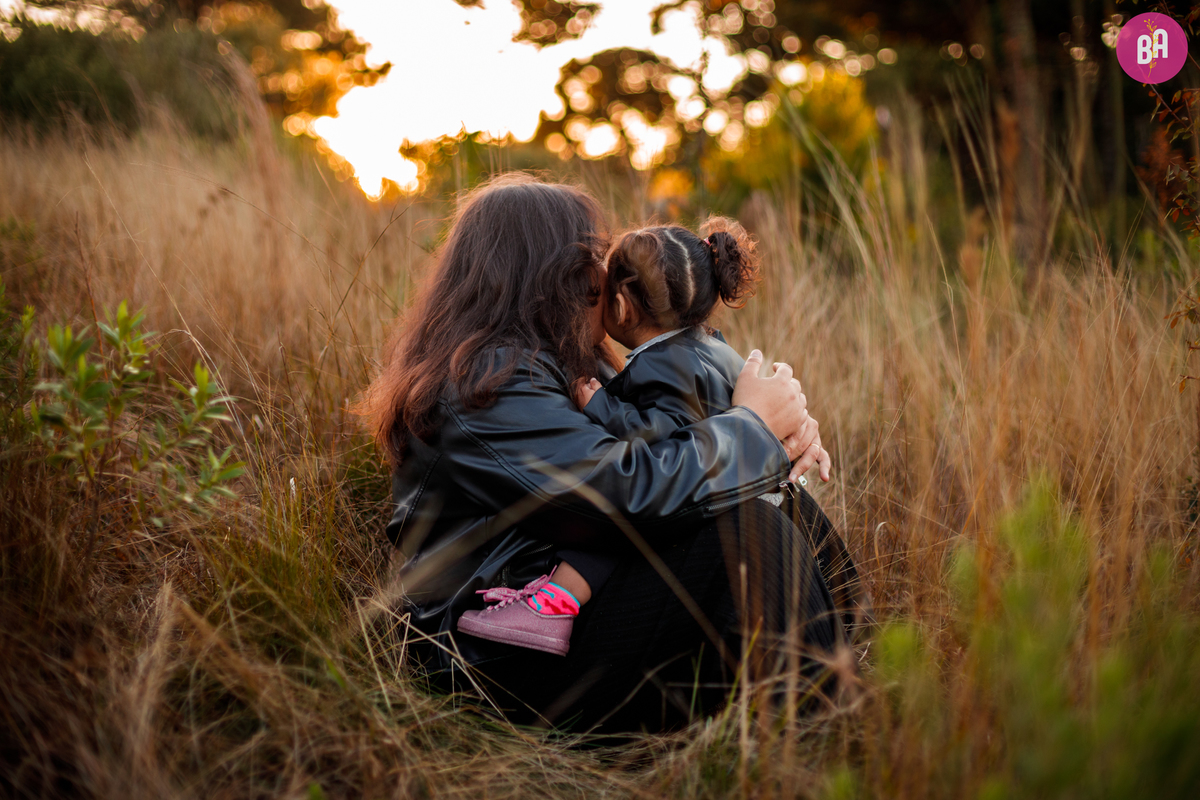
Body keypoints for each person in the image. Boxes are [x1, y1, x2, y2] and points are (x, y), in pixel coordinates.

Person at [363, 174, 843, 732]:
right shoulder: (484, 386)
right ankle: (822, 742)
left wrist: (782, 432)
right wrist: (753, 429)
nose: (608, 277)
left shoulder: (570, 361)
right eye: (595, 258)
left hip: (565, 613)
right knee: (751, 535)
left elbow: (674, 452)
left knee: (784, 509)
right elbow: (622, 493)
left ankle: (853, 681)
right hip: (495, 654)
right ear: (548, 277)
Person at [455, 216, 862, 657]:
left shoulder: (658, 364)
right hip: (690, 502)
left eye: (601, 285)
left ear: (624, 308)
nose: (594, 291)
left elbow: (657, 442)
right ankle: (855, 630)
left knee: (627, 532)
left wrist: (603, 408)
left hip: (669, 508)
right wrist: (760, 428)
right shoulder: (711, 346)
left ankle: (555, 603)